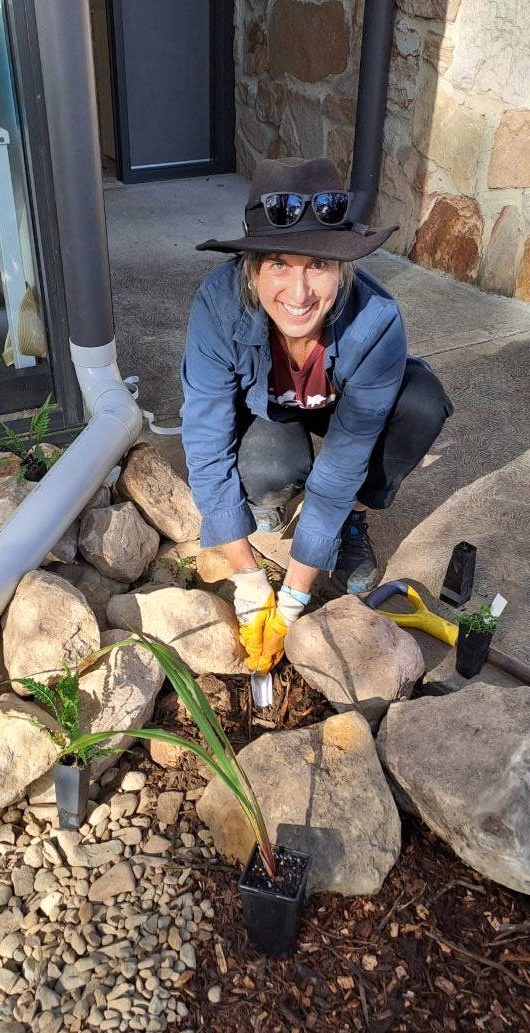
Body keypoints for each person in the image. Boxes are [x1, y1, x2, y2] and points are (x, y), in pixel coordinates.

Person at [181, 157, 452, 674]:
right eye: (278, 263)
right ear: (251, 267)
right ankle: (273, 498)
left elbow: (345, 459)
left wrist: (293, 600)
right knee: (265, 474)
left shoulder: (377, 321)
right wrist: (249, 581)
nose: (299, 294)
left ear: (342, 267)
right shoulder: (217, 307)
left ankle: (354, 521)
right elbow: (205, 435)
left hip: (345, 409)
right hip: (274, 406)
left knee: (420, 402)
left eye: (318, 265)